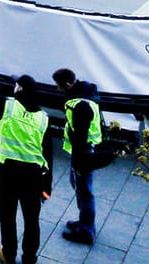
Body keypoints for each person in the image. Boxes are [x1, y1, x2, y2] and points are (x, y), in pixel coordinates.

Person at [0, 75, 54, 264]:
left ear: (20, 89)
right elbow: (48, 155)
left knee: (7, 217)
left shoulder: (8, 106)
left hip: (8, 174)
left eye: (16, 86)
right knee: (32, 221)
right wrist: (47, 188)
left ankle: (8, 254)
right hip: (33, 178)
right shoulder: (43, 119)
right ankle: (29, 258)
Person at [54, 66, 102, 245]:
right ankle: (85, 221)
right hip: (84, 150)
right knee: (79, 187)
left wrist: (79, 164)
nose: (58, 89)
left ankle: (86, 231)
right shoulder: (85, 94)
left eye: (59, 86)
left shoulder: (80, 106)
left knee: (84, 191)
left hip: (82, 153)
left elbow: (80, 136)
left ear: (67, 84)